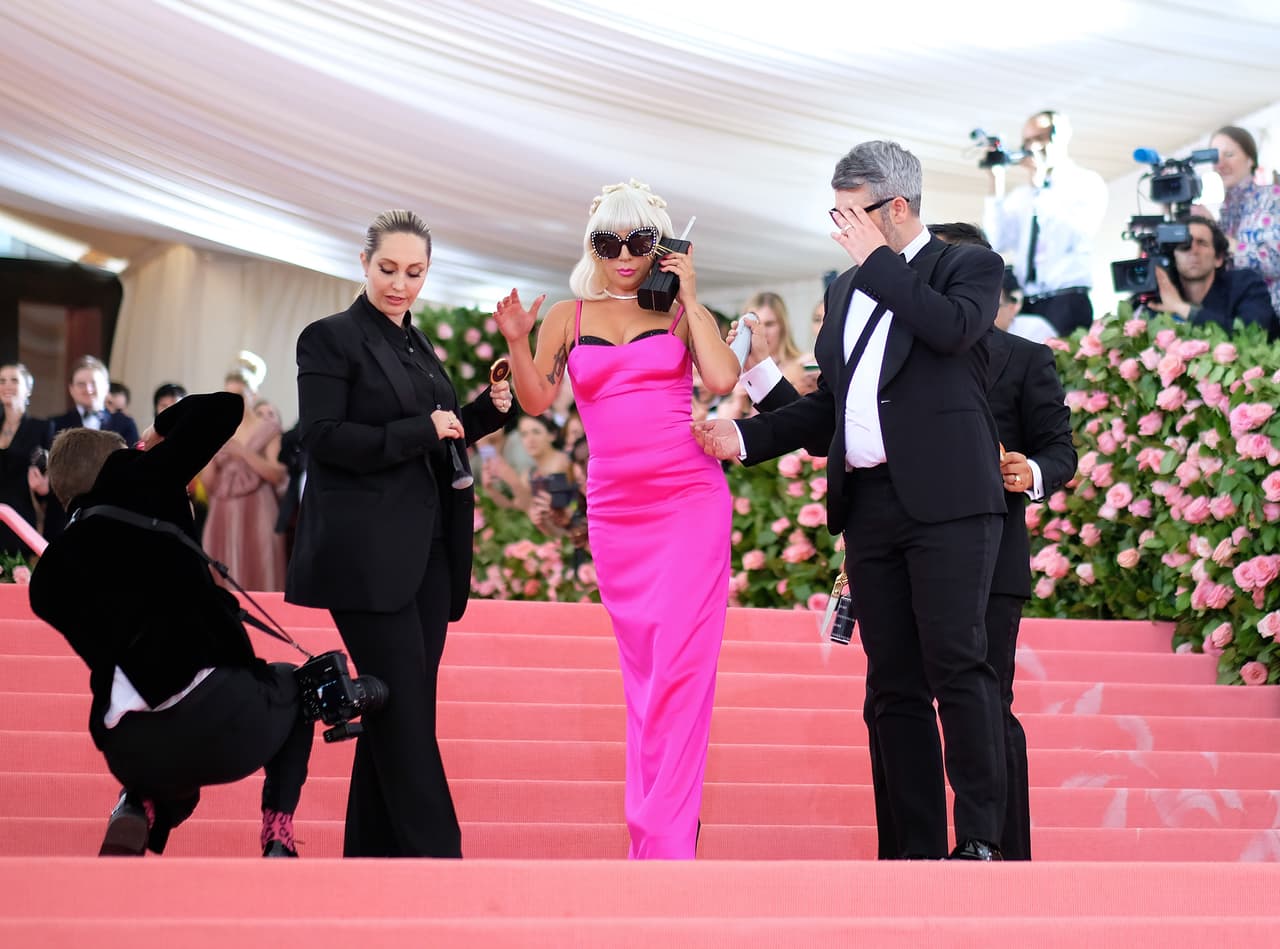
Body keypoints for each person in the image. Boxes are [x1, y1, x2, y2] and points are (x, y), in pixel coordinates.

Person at [695, 141, 1009, 860]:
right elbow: (829, 409)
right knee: (891, 681)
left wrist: (879, 262)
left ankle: (981, 839)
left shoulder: (966, 266)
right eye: (834, 215)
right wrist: (743, 436)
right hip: (870, 504)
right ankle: (913, 847)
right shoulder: (844, 290)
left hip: (950, 502)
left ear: (895, 208)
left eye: (852, 214)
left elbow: (952, 329)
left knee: (958, 665)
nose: (841, 229)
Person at [493, 178, 740, 859]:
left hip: (689, 502)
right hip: (617, 514)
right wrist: (517, 340)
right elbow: (537, 400)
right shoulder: (567, 316)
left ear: (661, 246)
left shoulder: (682, 313)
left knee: (680, 666)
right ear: (592, 246)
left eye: (640, 242)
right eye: (610, 242)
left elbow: (722, 380)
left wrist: (691, 295)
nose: (625, 255)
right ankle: (656, 823)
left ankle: (665, 833)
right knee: (645, 671)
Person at [286, 209, 513, 858]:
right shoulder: (328, 338)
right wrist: (424, 428)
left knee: (399, 707)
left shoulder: (418, 344)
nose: (400, 284)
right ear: (364, 263)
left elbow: (440, 435)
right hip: (365, 556)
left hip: (429, 553)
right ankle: (441, 863)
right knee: (406, 711)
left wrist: (483, 412)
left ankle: (370, 860)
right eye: (388, 268)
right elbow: (321, 437)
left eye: (414, 273)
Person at [27, 391, 314, 857]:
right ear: (122, 463)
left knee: (166, 756)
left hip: (131, 747)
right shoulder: (153, 478)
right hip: (227, 717)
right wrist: (159, 430)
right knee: (300, 685)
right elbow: (225, 407)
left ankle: (138, 807)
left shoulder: (48, 580)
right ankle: (277, 832)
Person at [984, 110, 1107, 336]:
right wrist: (996, 182)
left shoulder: (1086, 182)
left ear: (1060, 137)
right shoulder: (1021, 195)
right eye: (1027, 141)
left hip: (1066, 298)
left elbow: (1073, 232)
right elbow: (997, 241)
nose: (1032, 147)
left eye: (1040, 138)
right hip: (1028, 301)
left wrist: (1041, 185)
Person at [200, 362, 288, 592]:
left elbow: (278, 475)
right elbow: (209, 485)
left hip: (259, 509)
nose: (234, 401)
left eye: (239, 395)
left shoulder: (268, 428)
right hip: (222, 511)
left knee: (260, 566)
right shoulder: (216, 429)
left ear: (253, 394)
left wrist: (243, 453)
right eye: (228, 395)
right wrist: (209, 450)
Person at [37, 356, 142, 540]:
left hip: (114, 516)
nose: (88, 389)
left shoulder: (125, 424)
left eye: (94, 383)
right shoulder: (54, 424)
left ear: (106, 387)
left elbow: (133, 467)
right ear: (71, 389)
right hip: (62, 520)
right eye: (81, 384)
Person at [1149, 215, 1277, 337]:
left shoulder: (1245, 284)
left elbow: (1252, 335)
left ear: (1218, 258)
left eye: (1202, 243)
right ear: (1173, 256)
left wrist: (1182, 309)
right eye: (1184, 244)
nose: (1193, 250)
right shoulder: (1161, 294)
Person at [1208, 126, 1280, 317]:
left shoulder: (1272, 198)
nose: (1221, 164)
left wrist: (1218, 236)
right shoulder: (1225, 212)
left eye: (1229, 154)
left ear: (1250, 159)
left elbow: (1275, 262)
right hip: (1239, 321)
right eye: (1215, 157)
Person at [0, 363, 50, 554]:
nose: (7, 385)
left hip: (21, 517)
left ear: (28, 389)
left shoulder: (42, 427)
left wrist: (43, 487)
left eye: (14, 380)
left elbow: (49, 478)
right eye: (2, 381)